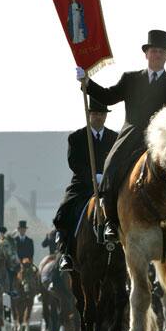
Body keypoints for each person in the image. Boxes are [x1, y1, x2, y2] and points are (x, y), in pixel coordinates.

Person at [78, 30, 166, 242]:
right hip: (133, 134)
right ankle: (110, 222)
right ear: (146, 54)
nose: (157, 55)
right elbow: (108, 97)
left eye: (161, 52)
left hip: (161, 138)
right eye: (153, 51)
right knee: (111, 165)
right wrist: (87, 83)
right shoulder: (131, 79)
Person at [53, 97, 118, 271]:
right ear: (89, 115)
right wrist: (92, 176)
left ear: (106, 116)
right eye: (95, 113)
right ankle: (66, 252)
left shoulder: (115, 137)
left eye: (102, 114)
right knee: (65, 210)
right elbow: (73, 162)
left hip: (108, 184)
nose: (98, 117)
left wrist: (105, 176)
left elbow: (119, 160)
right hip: (83, 184)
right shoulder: (76, 137)